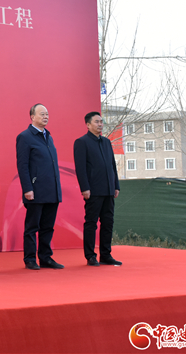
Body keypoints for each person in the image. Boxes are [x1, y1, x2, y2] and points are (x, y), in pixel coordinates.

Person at [16, 104, 64, 270]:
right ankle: (30, 259)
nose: (45, 117)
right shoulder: (25, 137)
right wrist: (27, 188)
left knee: (48, 227)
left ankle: (45, 257)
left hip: (51, 190)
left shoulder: (48, 137)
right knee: (32, 227)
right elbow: (22, 165)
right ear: (32, 117)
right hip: (35, 190)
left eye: (47, 114)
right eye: (42, 114)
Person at [74, 112, 122, 267]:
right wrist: (85, 188)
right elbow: (80, 168)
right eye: (97, 122)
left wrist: (116, 185)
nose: (100, 124)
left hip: (108, 190)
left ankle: (106, 255)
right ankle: (90, 256)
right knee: (91, 223)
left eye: (101, 122)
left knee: (108, 223)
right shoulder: (82, 142)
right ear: (88, 124)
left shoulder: (106, 142)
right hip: (93, 190)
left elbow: (112, 165)